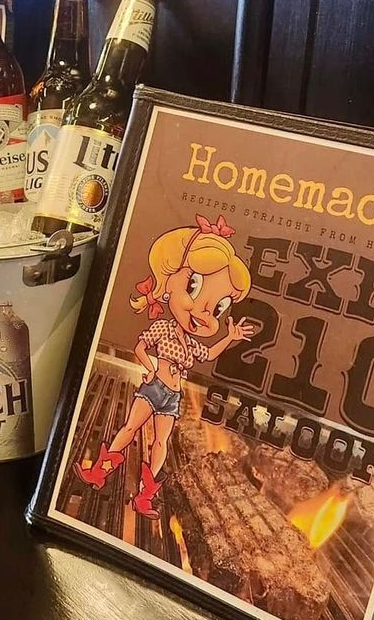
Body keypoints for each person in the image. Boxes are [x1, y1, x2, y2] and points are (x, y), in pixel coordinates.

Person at [75, 214, 255, 517]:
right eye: (194, 286)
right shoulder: (163, 328)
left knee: (161, 441)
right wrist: (148, 366)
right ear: (167, 283)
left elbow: (209, 355)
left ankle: (144, 498)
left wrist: (230, 337)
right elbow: (140, 346)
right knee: (130, 428)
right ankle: (99, 473)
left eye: (220, 307)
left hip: (173, 396)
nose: (205, 312)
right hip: (154, 387)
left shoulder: (192, 344)